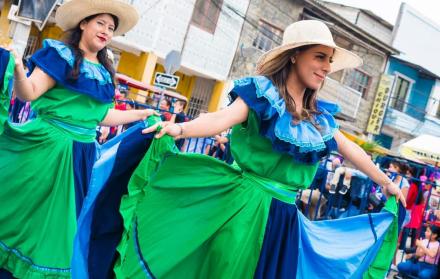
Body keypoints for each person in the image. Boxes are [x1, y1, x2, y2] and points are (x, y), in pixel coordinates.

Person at [92, 20, 406, 279]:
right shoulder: (262, 94)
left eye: (329, 60)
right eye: (319, 57)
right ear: (295, 55)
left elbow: (352, 151)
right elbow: (221, 119)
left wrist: (386, 182)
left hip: (285, 219)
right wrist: (179, 129)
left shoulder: (319, 117)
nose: (326, 67)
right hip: (242, 209)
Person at [0, 0, 158, 278]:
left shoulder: (105, 71)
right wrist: (17, 69)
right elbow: (29, 93)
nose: (106, 31)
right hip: (48, 149)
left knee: (61, 226)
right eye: (100, 23)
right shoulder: (60, 55)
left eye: (111, 28)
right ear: (83, 23)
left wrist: (141, 114)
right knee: (25, 211)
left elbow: (100, 116)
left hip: (83, 155)